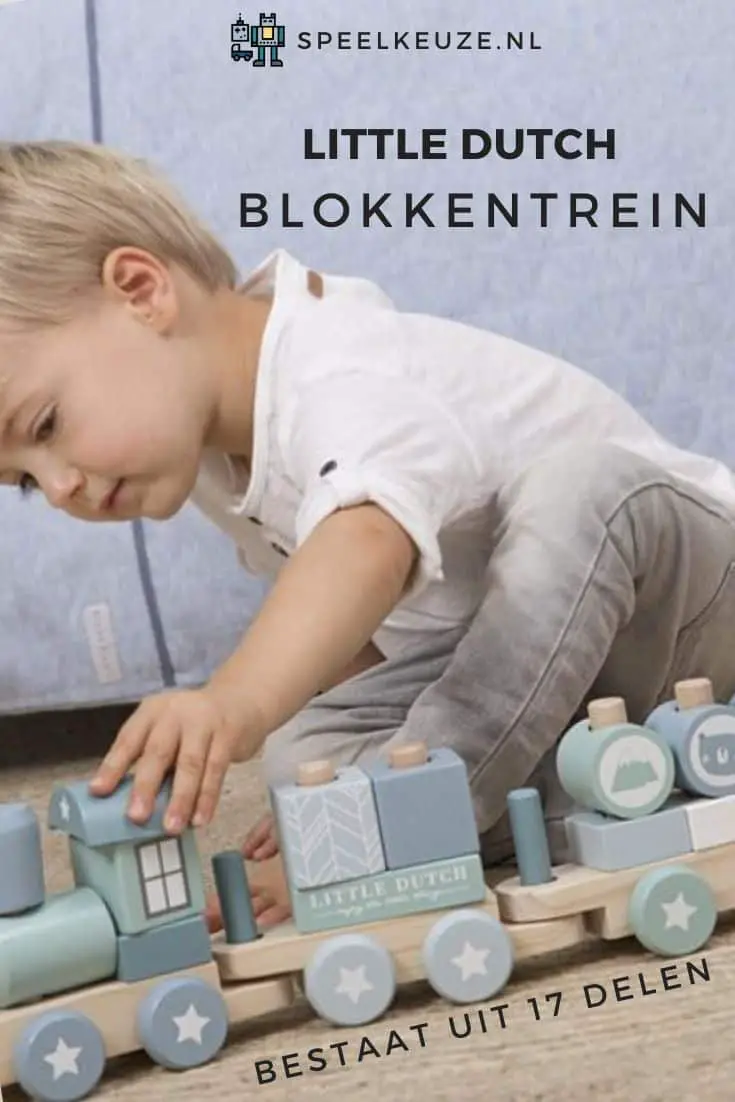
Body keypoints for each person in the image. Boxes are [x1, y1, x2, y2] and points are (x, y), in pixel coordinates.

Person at [2, 139, 735, 930]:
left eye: (46, 425)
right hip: (561, 671)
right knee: (303, 745)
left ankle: (409, 829)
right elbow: (354, 635)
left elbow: (366, 548)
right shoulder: (216, 464)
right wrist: (336, 782)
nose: (63, 484)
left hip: (687, 593)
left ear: (142, 291)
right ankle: (561, 801)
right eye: (29, 485)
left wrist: (231, 702)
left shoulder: (336, 368)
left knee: (579, 488)